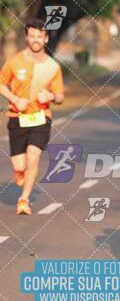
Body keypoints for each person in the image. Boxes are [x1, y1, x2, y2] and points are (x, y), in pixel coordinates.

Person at [0, 19, 64, 215]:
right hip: (17, 117)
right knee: (20, 164)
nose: (36, 39)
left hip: (41, 118)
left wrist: (51, 96)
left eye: (40, 36)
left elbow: (60, 96)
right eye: (32, 35)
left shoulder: (52, 67)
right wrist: (13, 98)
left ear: (45, 39)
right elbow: (1, 84)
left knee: (33, 157)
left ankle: (23, 199)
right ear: (27, 37)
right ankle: (20, 171)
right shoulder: (14, 62)